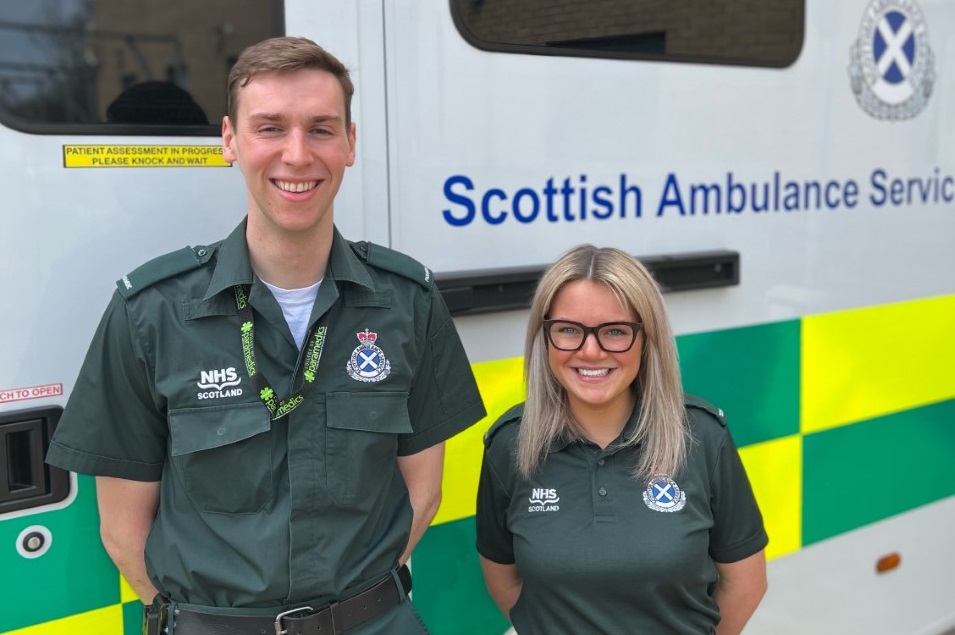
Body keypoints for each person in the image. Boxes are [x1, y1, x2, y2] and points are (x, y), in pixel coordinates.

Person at [46, 36, 486, 635]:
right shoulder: (149, 314)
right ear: (231, 140)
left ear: (351, 144)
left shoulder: (407, 302)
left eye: (322, 129)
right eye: (271, 128)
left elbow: (423, 494)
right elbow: (124, 533)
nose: (298, 155)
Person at [476, 245, 767, 635]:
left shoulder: (700, 437)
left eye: (615, 331)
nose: (590, 351)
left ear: (648, 339)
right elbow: (505, 582)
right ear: (544, 338)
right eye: (568, 330)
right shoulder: (510, 445)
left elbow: (746, 583)